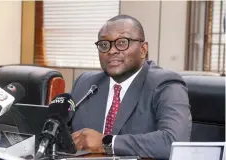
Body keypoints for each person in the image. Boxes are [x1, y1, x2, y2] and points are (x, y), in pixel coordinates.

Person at [70, 14, 192, 159]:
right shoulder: (85, 84)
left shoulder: (166, 85)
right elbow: (58, 133)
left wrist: (107, 143)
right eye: (104, 44)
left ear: (143, 49)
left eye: (122, 42)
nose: (111, 50)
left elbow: (174, 142)